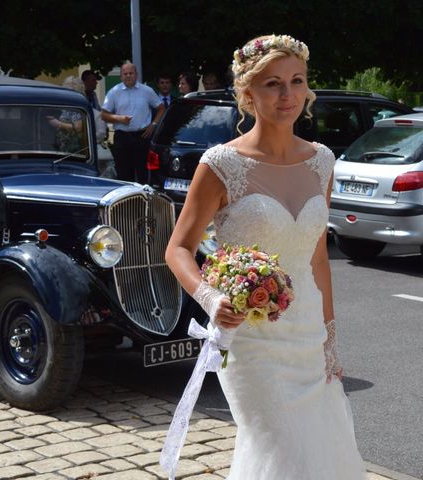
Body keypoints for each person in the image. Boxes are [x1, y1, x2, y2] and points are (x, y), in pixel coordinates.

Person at [161, 35, 366, 479]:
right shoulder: (221, 165)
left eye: (296, 81)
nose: (287, 95)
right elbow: (178, 248)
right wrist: (211, 298)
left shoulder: (322, 162)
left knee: (319, 451)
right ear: (248, 93)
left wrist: (329, 339)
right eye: (273, 83)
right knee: (285, 448)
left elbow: (317, 260)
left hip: (308, 336)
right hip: (251, 339)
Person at [101, 62, 165, 183]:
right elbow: (103, 115)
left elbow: (161, 108)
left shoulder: (147, 91)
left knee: (143, 174)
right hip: (122, 137)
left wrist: (153, 125)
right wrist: (119, 119)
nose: (128, 76)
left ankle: (143, 200)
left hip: (142, 136)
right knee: (124, 175)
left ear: (136, 75)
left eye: (131, 73)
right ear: (121, 76)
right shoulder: (114, 92)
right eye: (125, 74)